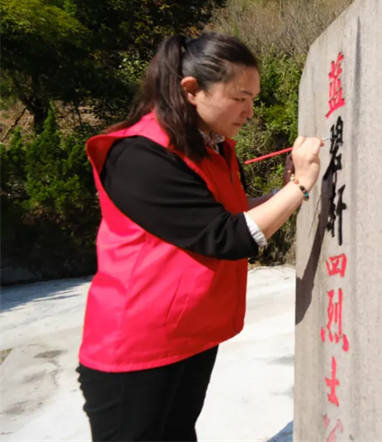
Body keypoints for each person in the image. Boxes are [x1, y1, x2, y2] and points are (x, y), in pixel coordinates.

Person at [76, 32, 322, 441]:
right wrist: (301, 187)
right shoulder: (140, 155)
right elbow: (226, 236)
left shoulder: (211, 148)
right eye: (240, 98)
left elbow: (228, 214)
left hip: (189, 335)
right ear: (191, 90)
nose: (250, 111)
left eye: (253, 99)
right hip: (136, 347)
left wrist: (285, 191)